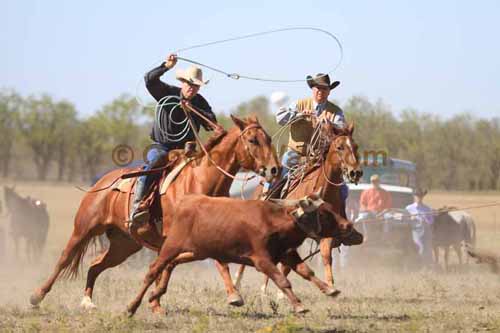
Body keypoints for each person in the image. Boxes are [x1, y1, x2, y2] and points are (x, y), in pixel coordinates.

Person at [129, 54, 218, 227]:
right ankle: (138, 206)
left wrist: (194, 109)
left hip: (187, 152)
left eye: (196, 86)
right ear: (183, 82)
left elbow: (211, 122)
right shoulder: (167, 92)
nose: (192, 88)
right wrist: (166, 66)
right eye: (190, 84)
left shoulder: (199, 102)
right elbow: (149, 80)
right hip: (162, 146)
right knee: (153, 164)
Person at [264, 73, 348, 205]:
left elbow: (343, 128)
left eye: (324, 89)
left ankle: (340, 216)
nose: (320, 91)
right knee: (277, 175)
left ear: (329, 91)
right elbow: (280, 118)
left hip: (321, 158)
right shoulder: (300, 104)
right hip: (295, 154)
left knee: (342, 189)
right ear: (312, 89)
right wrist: (299, 115)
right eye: (317, 88)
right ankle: (266, 201)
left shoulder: (335, 111)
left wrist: (330, 124)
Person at [406, 188, 434, 264]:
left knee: (428, 250)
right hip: (416, 231)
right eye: (417, 196)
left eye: (421, 196)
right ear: (414, 196)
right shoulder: (409, 208)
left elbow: (431, 220)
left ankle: (428, 266)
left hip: (427, 231)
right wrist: (411, 218)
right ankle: (420, 265)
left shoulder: (427, 208)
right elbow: (405, 219)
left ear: (423, 197)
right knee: (421, 248)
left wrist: (426, 220)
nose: (419, 197)